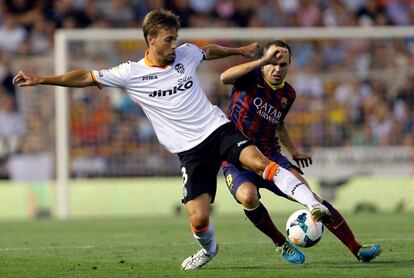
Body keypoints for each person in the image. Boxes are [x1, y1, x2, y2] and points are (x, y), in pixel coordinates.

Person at [13, 10, 330, 270]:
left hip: (217, 129)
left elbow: (208, 52)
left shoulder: (186, 53)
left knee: (259, 162)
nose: (175, 45)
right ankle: (209, 250)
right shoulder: (130, 73)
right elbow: (84, 77)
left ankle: (313, 204)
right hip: (188, 152)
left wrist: (241, 51)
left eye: (176, 38)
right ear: (150, 39)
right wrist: (42, 79)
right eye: (168, 39)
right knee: (199, 217)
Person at [220, 40, 382, 264]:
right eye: (273, 63)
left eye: (283, 65)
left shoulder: (288, 94)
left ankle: (357, 249)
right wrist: (261, 61)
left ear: (289, 65)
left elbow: (279, 123)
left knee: (312, 198)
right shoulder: (250, 77)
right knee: (248, 197)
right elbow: (224, 78)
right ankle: (280, 243)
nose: (278, 69)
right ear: (264, 62)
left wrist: (293, 151)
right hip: (237, 159)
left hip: (271, 156)